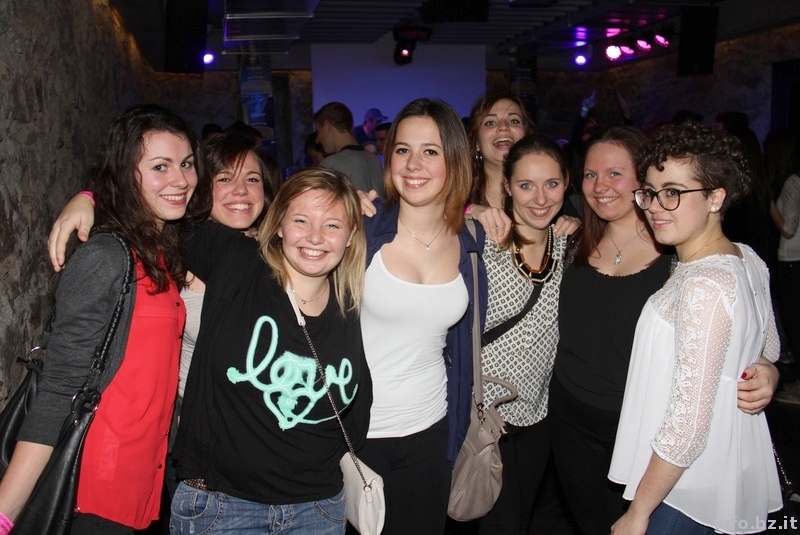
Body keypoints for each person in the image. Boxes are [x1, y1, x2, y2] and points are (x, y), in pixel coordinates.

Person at [48, 168, 373, 534]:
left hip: (318, 510)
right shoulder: (237, 261)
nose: (315, 237)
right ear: (279, 224)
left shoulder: (349, 302)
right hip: (223, 509)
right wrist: (90, 198)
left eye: (332, 225)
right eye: (301, 220)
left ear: (350, 236)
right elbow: (159, 209)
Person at [548, 125, 779, 535]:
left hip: (673, 469)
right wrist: (765, 366)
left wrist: (640, 510)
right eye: (652, 193)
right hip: (587, 426)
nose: (657, 205)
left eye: (672, 192)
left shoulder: (701, 277)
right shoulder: (743, 257)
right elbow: (766, 342)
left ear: (715, 198)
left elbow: (688, 424)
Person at [1, 103, 208, 534]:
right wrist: (6, 511)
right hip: (92, 486)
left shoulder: (161, 252)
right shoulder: (105, 257)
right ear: (125, 175)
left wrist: (88, 196)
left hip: (141, 479)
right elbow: (59, 386)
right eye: (160, 166)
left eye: (186, 164)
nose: (180, 180)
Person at [357, 98, 487, 534]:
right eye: (402, 150)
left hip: (433, 431)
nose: (413, 164)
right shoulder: (361, 228)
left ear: (455, 160)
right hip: (357, 435)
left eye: (430, 151)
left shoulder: (471, 241)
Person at [166, 130, 274, 498]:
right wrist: (87, 199)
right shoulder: (176, 249)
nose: (241, 190)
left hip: (267, 433)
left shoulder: (286, 251)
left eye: (252, 179)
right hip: (196, 434)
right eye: (224, 178)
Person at [476, 134, 574, 534]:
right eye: (526, 185)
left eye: (551, 183)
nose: (540, 198)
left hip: (539, 415)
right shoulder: (483, 240)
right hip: (484, 416)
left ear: (567, 184)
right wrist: (470, 209)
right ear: (507, 186)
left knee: (522, 518)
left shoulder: (570, 243)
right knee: (496, 522)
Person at [314, 102, 384, 195]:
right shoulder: (374, 160)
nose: (317, 140)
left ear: (327, 126)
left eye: (318, 131)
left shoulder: (331, 165)